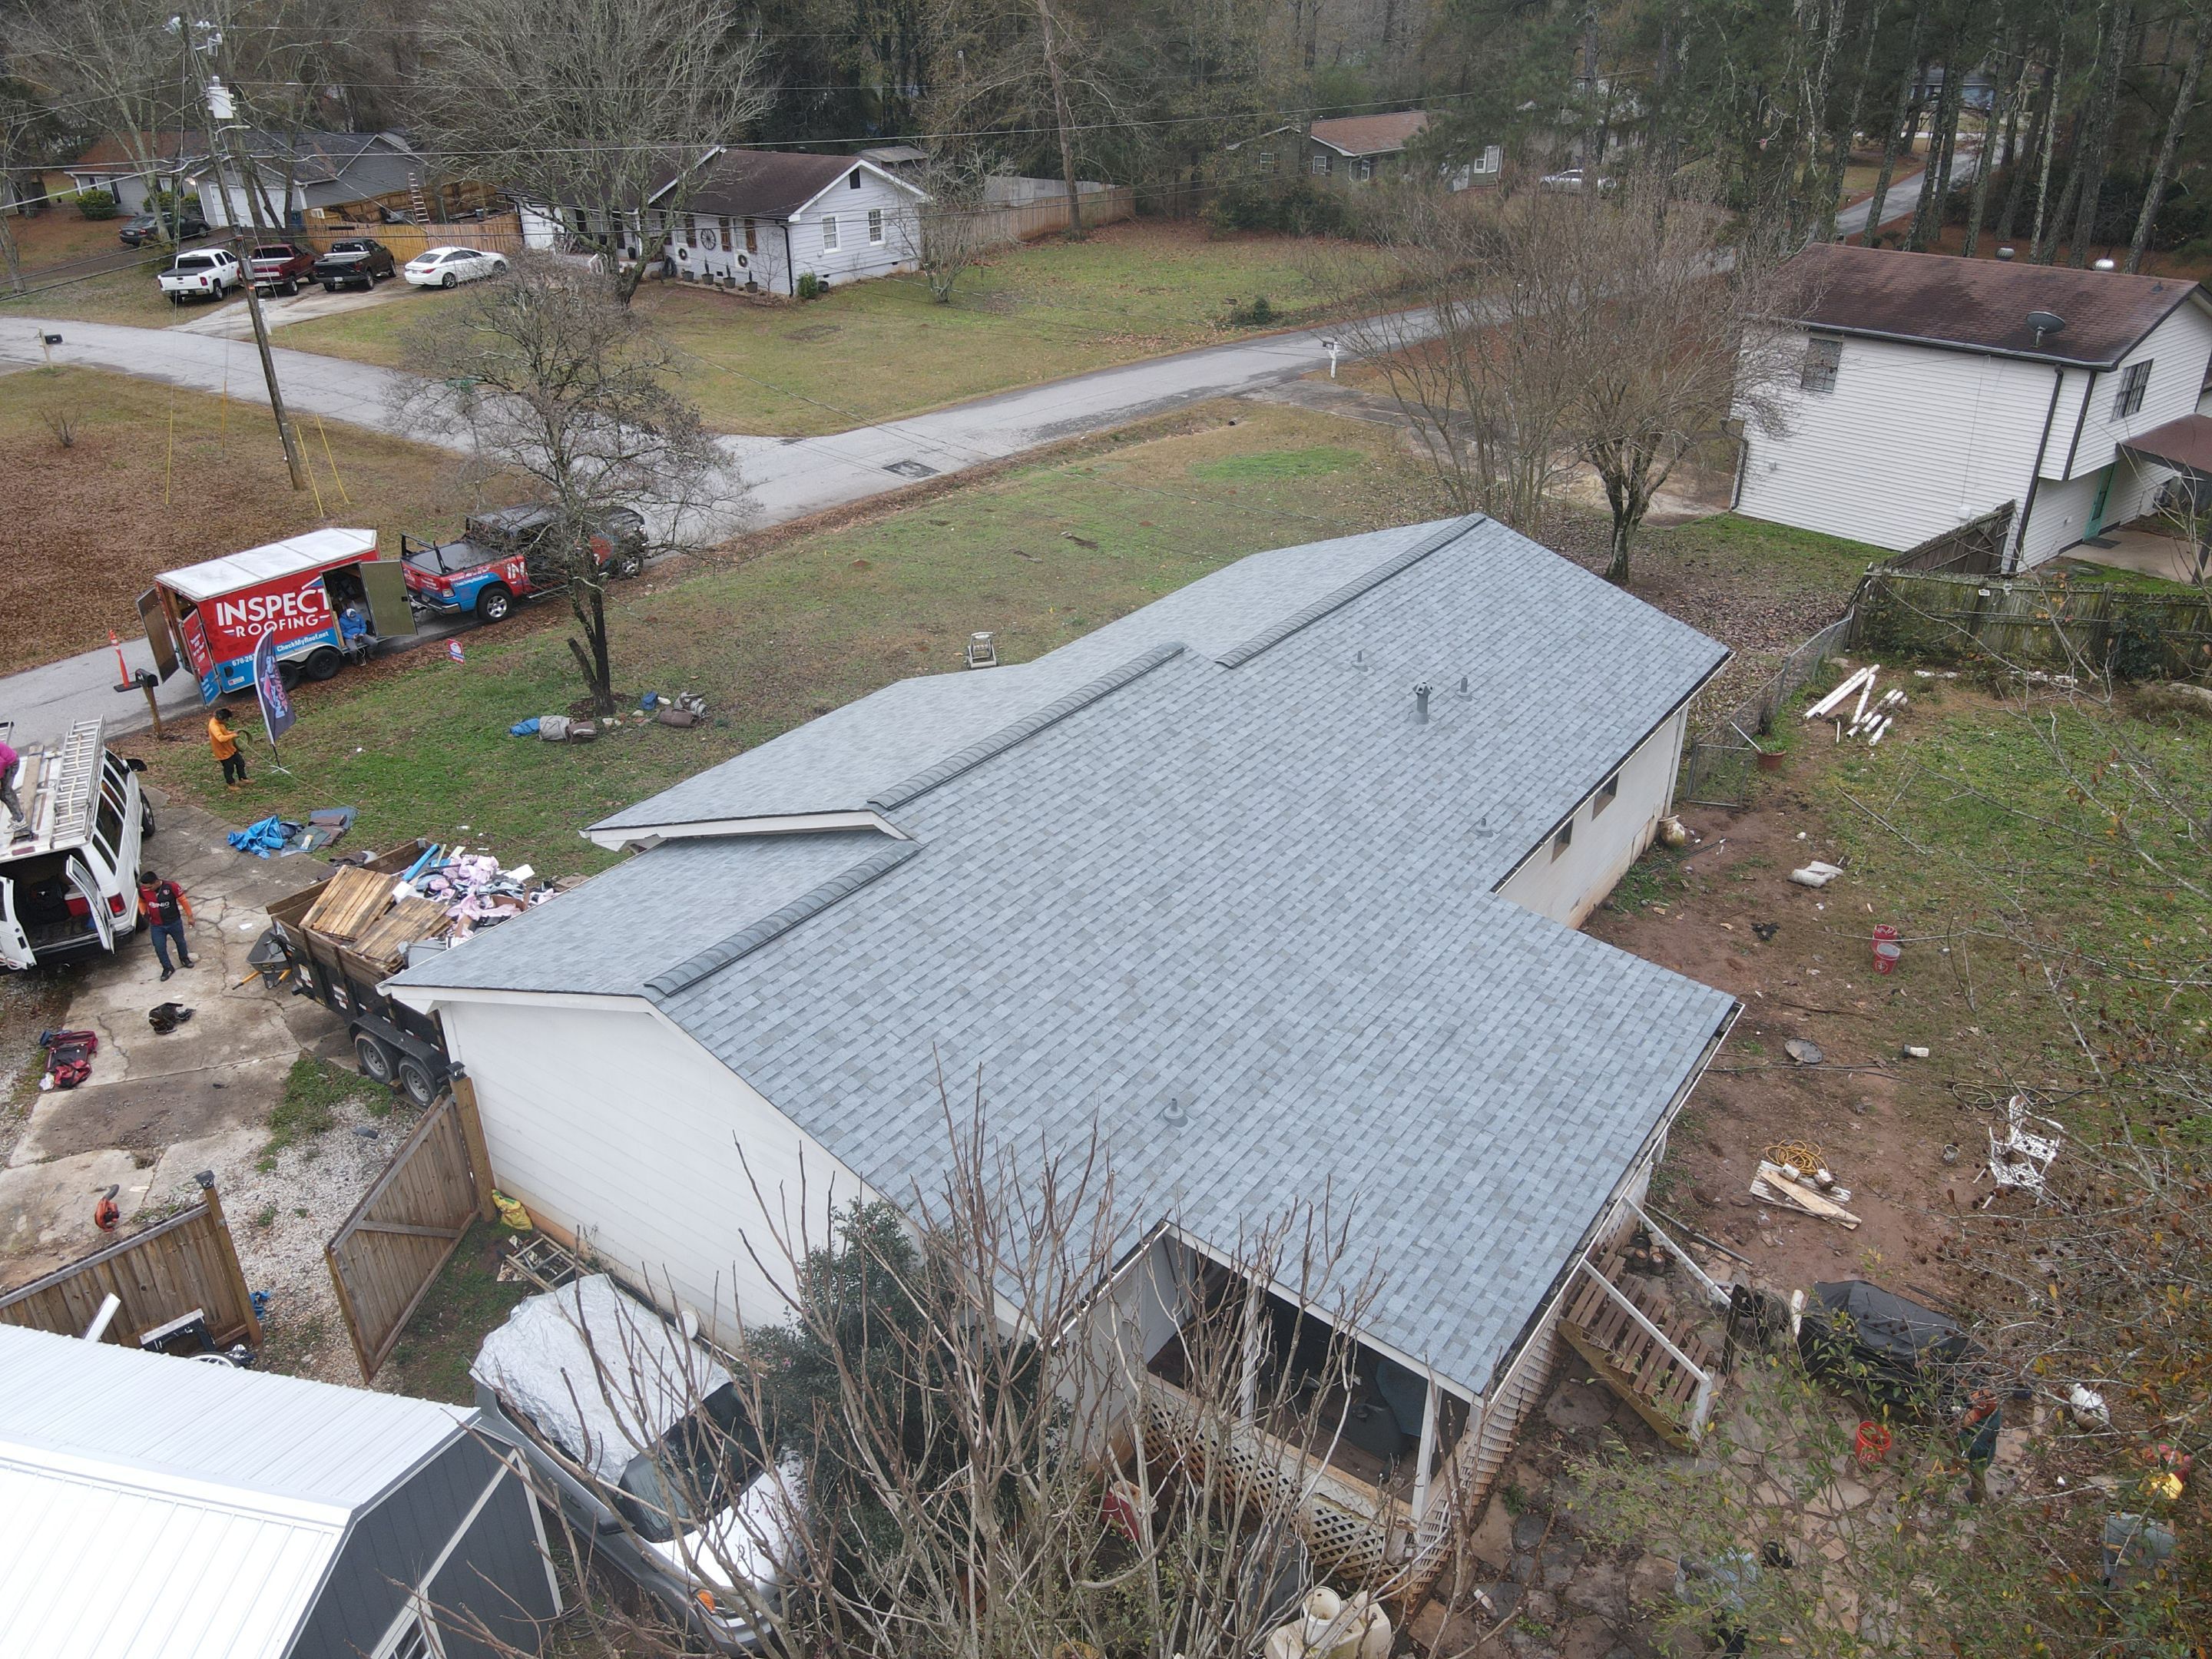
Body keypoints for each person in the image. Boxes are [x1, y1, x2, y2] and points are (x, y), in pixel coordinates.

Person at [137, 869, 194, 979]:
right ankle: (167, 968)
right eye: (146, 888)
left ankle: (184, 958)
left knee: (180, 942)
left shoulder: (171, 887)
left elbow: (183, 900)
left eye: (150, 887)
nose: (148, 889)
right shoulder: (143, 891)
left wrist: (190, 916)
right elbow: (141, 901)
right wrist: (143, 912)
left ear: (156, 882)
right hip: (156, 925)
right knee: (159, 947)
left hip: (174, 922)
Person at [208, 704, 247, 787]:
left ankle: (243, 779)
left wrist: (231, 733)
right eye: (226, 719)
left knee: (240, 762)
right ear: (221, 719)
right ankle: (231, 784)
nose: (227, 721)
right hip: (223, 752)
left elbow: (224, 732)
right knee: (229, 768)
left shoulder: (219, 723)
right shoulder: (214, 726)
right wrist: (232, 736)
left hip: (230, 748)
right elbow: (221, 738)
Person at [0, 732, 22, 832]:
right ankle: (18, 812)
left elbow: (1, 763)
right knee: (6, 791)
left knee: (5, 794)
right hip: (6, 763)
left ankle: (20, 820)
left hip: (10, 764)